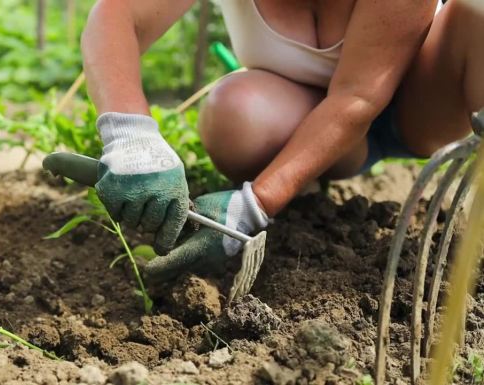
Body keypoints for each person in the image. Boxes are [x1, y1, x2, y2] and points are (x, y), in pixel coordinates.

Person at [80, 0, 484, 280]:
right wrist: (130, 134)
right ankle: (300, 182)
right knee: (235, 114)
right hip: (306, 119)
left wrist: (255, 205)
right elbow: (118, 15)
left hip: (419, 109)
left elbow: (359, 97)